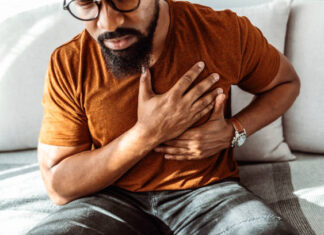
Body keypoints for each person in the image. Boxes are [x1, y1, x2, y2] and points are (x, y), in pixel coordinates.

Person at [27, 0, 301, 234]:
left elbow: (285, 83)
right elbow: (59, 186)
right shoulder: (70, 62)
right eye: (87, 2)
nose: (108, 23)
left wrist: (233, 131)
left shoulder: (223, 32)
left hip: (208, 192)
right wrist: (147, 133)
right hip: (107, 196)